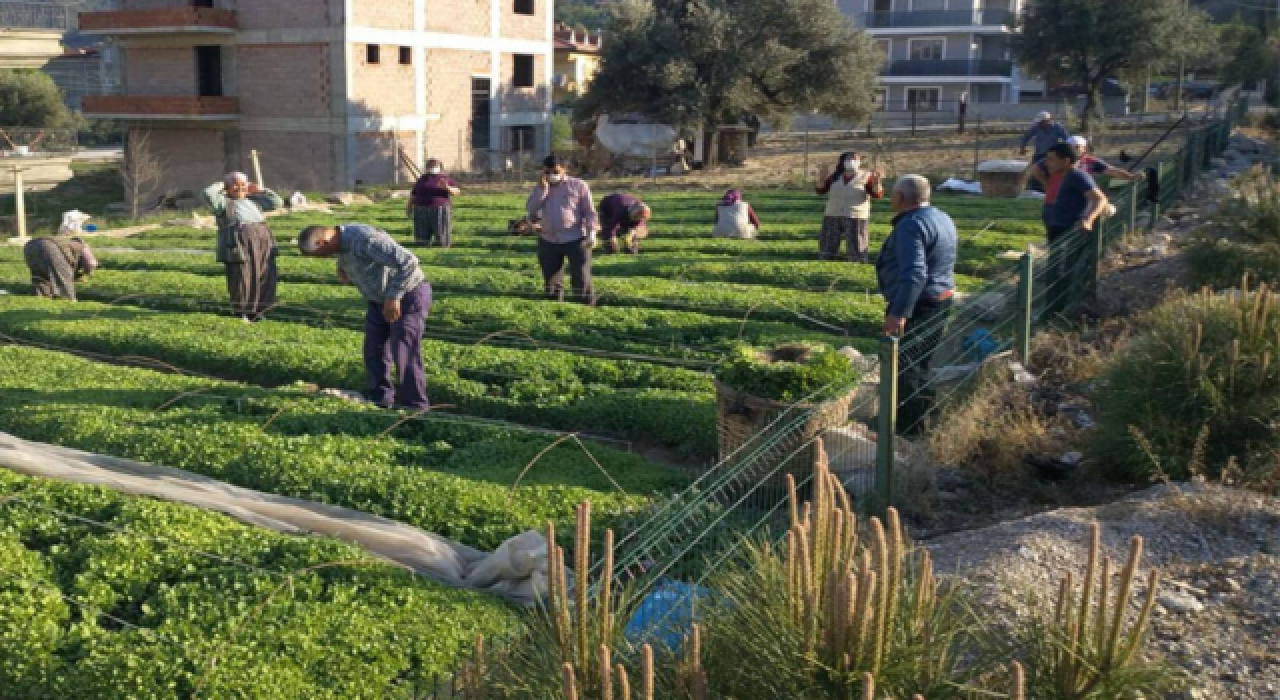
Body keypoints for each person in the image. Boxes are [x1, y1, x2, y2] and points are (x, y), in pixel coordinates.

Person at [297, 223, 432, 410]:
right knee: (373, 351)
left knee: (403, 351)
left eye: (320, 255)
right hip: (378, 300)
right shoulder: (339, 241)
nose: (323, 258)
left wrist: (394, 296)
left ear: (322, 242)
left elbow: (409, 262)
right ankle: (381, 399)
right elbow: (345, 253)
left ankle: (415, 407)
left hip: (407, 296)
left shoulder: (365, 239)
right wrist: (343, 267)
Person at [874, 175, 957, 434]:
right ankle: (923, 418)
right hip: (941, 297)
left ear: (900, 197)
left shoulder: (910, 225)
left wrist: (899, 312)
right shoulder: (941, 216)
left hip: (919, 303)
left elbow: (915, 274)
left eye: (893, 193)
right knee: (921, 362)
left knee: (906, 366)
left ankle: (907, 429)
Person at [203, 172, 284, 322]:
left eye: (243, 184)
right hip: (239, 244)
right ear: (227, 187)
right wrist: (222, 185)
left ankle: (260, 311)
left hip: (262, 241)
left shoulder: (254, 201)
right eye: (235, 184)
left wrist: (260, 190)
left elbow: (277, 202)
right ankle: (243, 313)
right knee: (242, 276)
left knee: (265, 274)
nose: (239, 187)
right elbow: (207, 193)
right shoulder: (223, 202)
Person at [1040, 142, 1109, 315]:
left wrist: (1089, 220)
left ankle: (1059, 311)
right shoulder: (1062, 176)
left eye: (1051, 159)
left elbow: (1100, 199)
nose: (1047, 163)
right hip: (1057, 228)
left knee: (1063, 271)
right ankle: (1052, 309)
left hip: (1069, 231)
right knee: (1054, 270)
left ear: (1066, 161)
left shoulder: (1077, 176)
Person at [526, 155, 598, 304]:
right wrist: (542, 190)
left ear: (564, 169)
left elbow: (589, 211)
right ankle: (555, 308)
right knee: (551, 280)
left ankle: (584, 308)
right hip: (548, 239)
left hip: (576, 238)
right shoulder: (540, 187)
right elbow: (531, 209)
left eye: (555, 171)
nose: (551, 175)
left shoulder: (578, 185)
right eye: (548, 172)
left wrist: (592, 232)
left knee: (581, 277)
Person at [814, 151, 884, 262]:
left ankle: (858, 262)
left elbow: (877, 194)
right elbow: (820, 190)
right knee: (828, 245)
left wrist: (877, 181)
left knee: (857, 245)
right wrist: (821, 177)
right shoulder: (835, 176)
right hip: (833, 214)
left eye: (854, 159)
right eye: (848, 159)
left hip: (856, 216)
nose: (851, 162)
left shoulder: (867, 176)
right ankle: (826, 260)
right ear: (843, 162)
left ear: (859, 162)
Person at [23, 233, 98, 300]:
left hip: (30, 246)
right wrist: (88, 272)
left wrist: (78, 275)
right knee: (63, 279)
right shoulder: (83, 246)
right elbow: (92, 263)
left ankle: (41, 298)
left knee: (41, 277)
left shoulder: (66, 242)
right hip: (50, 247)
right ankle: (69, 302)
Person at [407, 158, 461, 247]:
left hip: (440, 209)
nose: (431, 168)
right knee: (421, 237)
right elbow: (413, 195)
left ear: (440, 167)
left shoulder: (445, 179)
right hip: (421, 210)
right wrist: (409, 208)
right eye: (430, 166)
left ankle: (443, 248)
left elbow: (457, 192)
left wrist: (447, 188)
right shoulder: (421, 180)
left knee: (441, 234)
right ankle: (423, 247)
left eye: (434, 166)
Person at [1068, 135, 1140, 182]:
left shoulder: (1090, 161)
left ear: (1083, 148)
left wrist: (1131, 177)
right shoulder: (1061, 160)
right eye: (1070, 147)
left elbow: (1112, 171)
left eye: (1077, 147)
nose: (1073, 149)